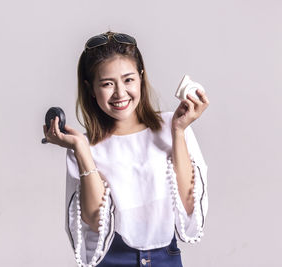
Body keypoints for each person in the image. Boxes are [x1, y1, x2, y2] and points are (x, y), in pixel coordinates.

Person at [42, 31, 210, 267]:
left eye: (128, 79)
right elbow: (94, 220)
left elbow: (188, 204)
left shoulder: (173, 126)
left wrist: (179, 132)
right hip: (112, 260)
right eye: (107, 83)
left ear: (141, 77)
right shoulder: (83, 146)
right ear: (91, 89)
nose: (120, 93)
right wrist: (82, 149)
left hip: (166, 260)